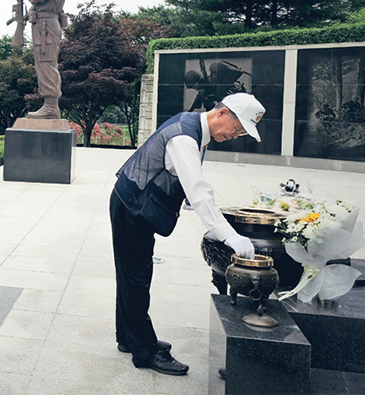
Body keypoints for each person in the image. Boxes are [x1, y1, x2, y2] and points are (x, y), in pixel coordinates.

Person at [110, 93, 262, 376]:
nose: (236, 135)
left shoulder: (195, 127)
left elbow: (183, 176)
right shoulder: (185, 136)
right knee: (136, 277)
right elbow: (199, 190)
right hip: (132, 207)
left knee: (131, 274)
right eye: (238, 128)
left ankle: (128, 338)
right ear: (223, 114)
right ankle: (144, 350)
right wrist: (230, 236)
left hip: (133, 203)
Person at [14, 0, 71, 120]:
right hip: (44, 24)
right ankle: (49, 105)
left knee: (46, 64)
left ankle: (50, 106)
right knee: (44, 64)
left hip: (46, 27)